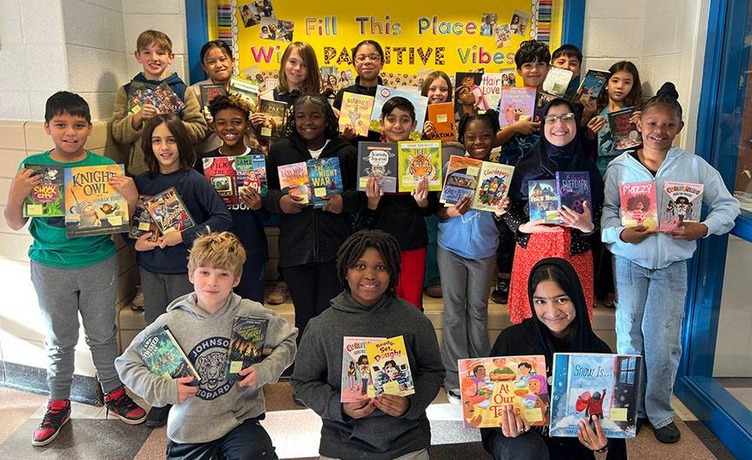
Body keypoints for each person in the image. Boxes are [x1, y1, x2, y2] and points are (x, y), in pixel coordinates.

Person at [3, 91, 147, 446]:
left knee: (102, 334)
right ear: (47, 127)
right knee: (59, 339)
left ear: (87, 129)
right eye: (62, 124)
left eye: (79, 125)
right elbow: (14, 222)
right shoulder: (32, 168)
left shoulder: (101, 168)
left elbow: (124, 224)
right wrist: (16, 195)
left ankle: (113, 393)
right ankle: (58, 402)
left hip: (98, 261)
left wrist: (130, 199)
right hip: (50, 266)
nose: (71, 132)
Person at [601, 82, 740, 443]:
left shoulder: (694, 166)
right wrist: (619, 234)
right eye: (652, 124)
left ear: (678, 127)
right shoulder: (620, 166)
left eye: (667, 125)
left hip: (672, 268)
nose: (659, 132)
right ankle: (626, 411)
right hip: (630, 262)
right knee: (628, 338)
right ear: (639, 124)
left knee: (664, 343)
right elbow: (608, 214)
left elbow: (729, 206)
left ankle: (659, 412)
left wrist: (704, 227)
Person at [116, 231, 297, 459]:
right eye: (204, 272)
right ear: (191, 274)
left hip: (240, 419)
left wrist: (266, 370)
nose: (212, 281)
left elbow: (288, 340)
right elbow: (126, 364)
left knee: (253, 453)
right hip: (190, 428)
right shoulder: (171, 322)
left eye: (223, 274)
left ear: (236, 279)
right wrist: (165, 390)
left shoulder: (252, 313)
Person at [291, 229, 444, 460]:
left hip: (406, 442)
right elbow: (303, 382)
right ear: (345, 271)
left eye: (381, 267)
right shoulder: (322, 326)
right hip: (342, 443)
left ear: (392, 272)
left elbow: (433, 371)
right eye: (360, 266)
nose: (370, 275)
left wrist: (410, 404)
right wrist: (338, 406)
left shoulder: (414, 321)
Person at [132, 113, 232, 425]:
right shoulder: (141, 181)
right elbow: (129, 223)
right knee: (157, 335)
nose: (164, 147)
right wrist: (136, 241)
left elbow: (222, 219)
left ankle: (195, 396)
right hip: (151, 269)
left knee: (185, 334)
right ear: (149, 145)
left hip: (183, 272)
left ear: (182, 142)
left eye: (171, 139)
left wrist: (184, 235)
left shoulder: (194, 180)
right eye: (157, 140)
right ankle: (163, 397)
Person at [481, 258, 627, 460]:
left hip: (572, 443)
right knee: (526, 451)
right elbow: (489, 409)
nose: (551, 312)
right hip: (521, 441)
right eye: (540, 301)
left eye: (561, 299)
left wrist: (602, 447)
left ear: (576, 297)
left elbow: (612, 430)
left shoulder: (597, 352)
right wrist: (506, 425)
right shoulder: (512, 340)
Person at [265, 94, 360, 346]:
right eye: (301, 116)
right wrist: (280, 203)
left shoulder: (346, 151)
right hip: (296, 249)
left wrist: (344, 202)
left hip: (335, 248)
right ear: (293, 119)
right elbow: (267, 192)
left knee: (331, 313)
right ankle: (305, 373)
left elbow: (361, 196)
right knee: (304, 315)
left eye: (315, 116)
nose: (308, 122)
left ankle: (331, 369)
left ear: (327, 118)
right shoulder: (280, 150)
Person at [502, 98, 604, 324]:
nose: (560, 125)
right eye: (552, 119)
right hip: (532, 254)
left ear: (577, 124)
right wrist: (522, 226)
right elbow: (506, 210)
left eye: (567, 118)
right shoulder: (525, 166)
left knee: (570, 321)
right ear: (543, 124)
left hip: (575, 257)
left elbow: (598, 219)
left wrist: (588, 227)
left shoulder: (588, 169)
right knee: (531, 321)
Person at [437, 112, 505, 403]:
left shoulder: (501, 173)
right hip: (450, 248)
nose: (478, 142)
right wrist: (451, 210)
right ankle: (454, 377)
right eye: (471, 137)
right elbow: (436, 210)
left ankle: (482, 372)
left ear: (495, 138)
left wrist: (504, 210)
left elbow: (508, 219)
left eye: (485, 136)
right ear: (462, 138)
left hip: (484, 250)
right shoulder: (453, 168)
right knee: (454, 310)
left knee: (477, 311)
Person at [363, 97, 438, 311]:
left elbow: (431, 207)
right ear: (381, 122)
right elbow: (361, 212)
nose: (397, 125)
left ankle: (411, 345)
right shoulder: (369, 156)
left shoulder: (423, 156)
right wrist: (372, 203)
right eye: (392, 119)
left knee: (411, 304)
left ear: (414, 125)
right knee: (379, 302)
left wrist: (422, 202)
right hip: (378, 242)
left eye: (405, 120)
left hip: (413, 242)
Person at [491, 39, 550, 306]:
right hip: (509, 172)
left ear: (549, 68)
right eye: (528, 65)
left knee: (537, 227)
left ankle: (536, 280)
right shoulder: (508, 99)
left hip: (542, 177)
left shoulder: (554, 102)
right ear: (519, 69)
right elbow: (490, 139)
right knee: (505, 226)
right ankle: (505, 278)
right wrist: (516, 128)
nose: (534, 70)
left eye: (540, 64)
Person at [193, 94, 268, 304]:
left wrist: (260, 205)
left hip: (251, 245)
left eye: (236, 122)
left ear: (246, 124)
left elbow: (271, 212)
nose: (229, 128)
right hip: (214, 250)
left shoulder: (260, 160)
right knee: (216, 308)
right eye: (222, 123)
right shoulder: (203, 163)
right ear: (214, 126)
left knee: (251, 309)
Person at [112, 30, 207, 176]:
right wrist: (136, 118)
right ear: (138, 56)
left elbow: (199, 130)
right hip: (141, 171)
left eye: (160, 53)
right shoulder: (127, 91)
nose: (154, 58)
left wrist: (171, 121)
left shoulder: (183, 91)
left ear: (171, 57)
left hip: (179, 169)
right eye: (147, 52)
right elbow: (118, 133)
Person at [189, 40, 259, 155]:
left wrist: (255, 123)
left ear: (232, 61)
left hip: (245, 155)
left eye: (223, 59)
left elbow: (257, 130)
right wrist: (206, 123)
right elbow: (195, 129)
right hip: (211, 156)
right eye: (211, 62)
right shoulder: (194, 91)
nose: (218, 65)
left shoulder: (249, 89)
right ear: (204, 67)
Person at [419, 70, 454, 299]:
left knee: (448, 229)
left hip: (451, 177)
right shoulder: (415, 116)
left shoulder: (456, 116)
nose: (438, 93)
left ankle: (444, 277)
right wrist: (423, 136)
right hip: (426, 179)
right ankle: (430, 278)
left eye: (443, 89)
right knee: (429, 228)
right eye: (433, 88)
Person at [333, 40, 386, 144]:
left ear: (382, 63)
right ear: (354, 63)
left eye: (373, 57)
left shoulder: (391, 97)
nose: (367, 62)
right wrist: (344, 136)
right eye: (361, 58)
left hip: (385, 155)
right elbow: (334, 135)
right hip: (351, 155)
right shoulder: (343, 95)